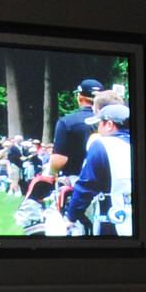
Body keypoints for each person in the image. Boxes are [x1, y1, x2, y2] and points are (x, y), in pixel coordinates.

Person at [66, 101, 134, 236]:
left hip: (115, 218)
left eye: (99, 124)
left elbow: (86, 186)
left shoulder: (102, 145)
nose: (98, 129)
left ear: (109, 124)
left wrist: (71, 217)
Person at [48, 78, 105, 211]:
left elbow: (59, 160)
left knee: (76, 224)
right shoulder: (112, 122)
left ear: (79, 97)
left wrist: (52, 172)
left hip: (78, 181)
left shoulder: (67, 122)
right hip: (110, 183)